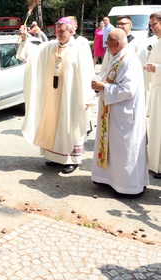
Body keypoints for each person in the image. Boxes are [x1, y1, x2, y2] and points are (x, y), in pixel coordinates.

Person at [17, 17, 96, 174]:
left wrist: (88, 96)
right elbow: (33, 53)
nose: (59, 33)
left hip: (72, 96)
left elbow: (88, 72)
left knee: (70, 125)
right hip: (53, 94)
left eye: (63, 31)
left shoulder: (80, 47)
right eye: (57, 30)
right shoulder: (51, 46)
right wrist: (25, 38)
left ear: (71, 31)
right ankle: (55, 157)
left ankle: (72, 160)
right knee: (53, 123)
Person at [91, 29, 149, 196]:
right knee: (113, 148)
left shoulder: (129, 60)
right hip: (112, 112)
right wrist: (99, 85)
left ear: (117, 43)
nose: (105, 44)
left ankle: (128, 186)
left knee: (123, 150)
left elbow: (127, 89)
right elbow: (111, 78)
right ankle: (108, 179)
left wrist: (103, 87)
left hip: (124, 115)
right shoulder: (118, 57)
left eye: (108, 41)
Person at [144, 12, 161, 179]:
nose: (152, 27)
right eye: (150, 25)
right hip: (157, 90)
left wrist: (156, 67)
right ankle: (156, 164)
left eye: (155, 24)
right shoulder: (157, 42)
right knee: (156, 128)